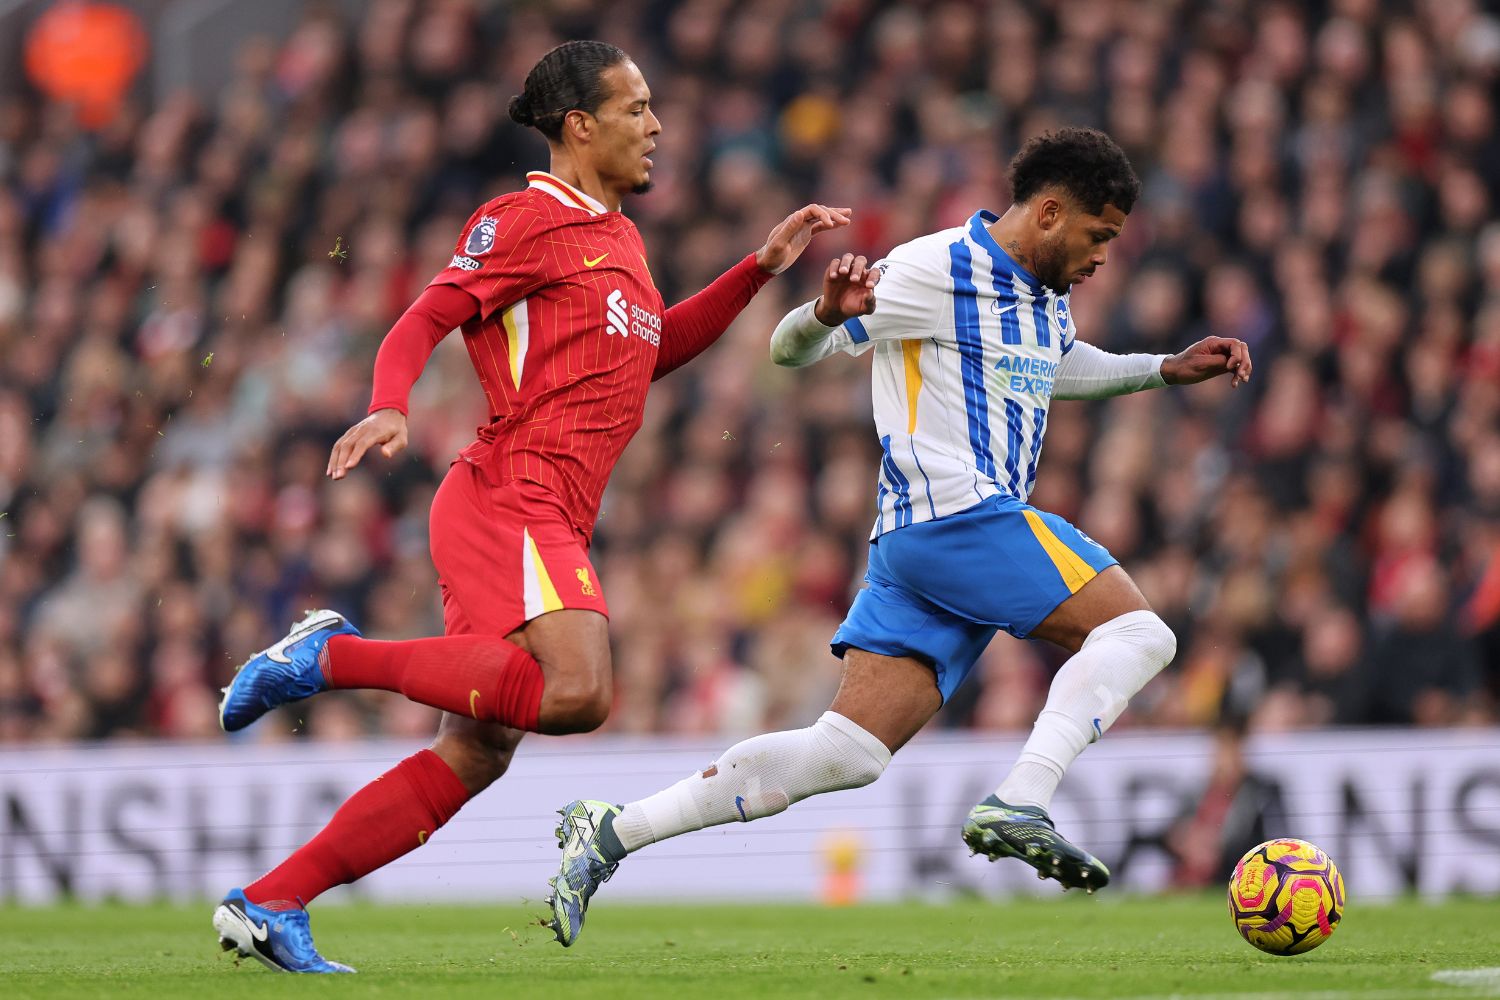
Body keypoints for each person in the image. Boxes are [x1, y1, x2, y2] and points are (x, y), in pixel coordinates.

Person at [210, 40, 849, 974]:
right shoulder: (523, 219)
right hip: (512, 494)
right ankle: (326, 655)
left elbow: (650, 352)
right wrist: (390, 400)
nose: (657, 125)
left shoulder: (622, 239)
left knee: (478, 750)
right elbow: (425, 315)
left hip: (544, 507)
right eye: (636, 108)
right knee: (581, 690)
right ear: (580, 126)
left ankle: (271, 901)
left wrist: (759, 268)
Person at [547, 127, 1254, 946]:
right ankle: (1024, 796)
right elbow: (786, 351)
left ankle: (608, 832)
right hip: (956, 514)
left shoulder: (1044, 295)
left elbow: (1057, 367)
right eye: (1100, 237)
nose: (1103, 258)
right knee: (1139, 631)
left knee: (846, 753)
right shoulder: (931, 268)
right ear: (1052, 213)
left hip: (917, 546)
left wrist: (1163, 367)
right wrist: (823, 315)